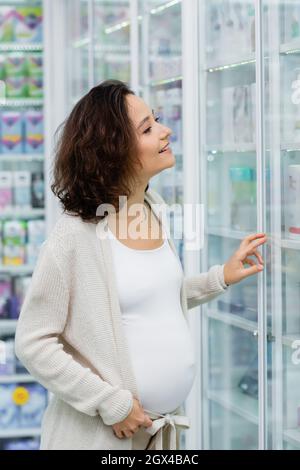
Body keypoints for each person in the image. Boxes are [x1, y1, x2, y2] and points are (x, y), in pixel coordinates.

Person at [14, 79, 267, 450]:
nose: (165, 131)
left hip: (159, 436)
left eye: (158, 120)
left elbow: (148, 298)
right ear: (112, 151)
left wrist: (219, 278)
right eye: (147, 128)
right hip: (101, 438)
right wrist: (112, 404)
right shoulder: (73, 237)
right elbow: (33, 343)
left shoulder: (154, 207)